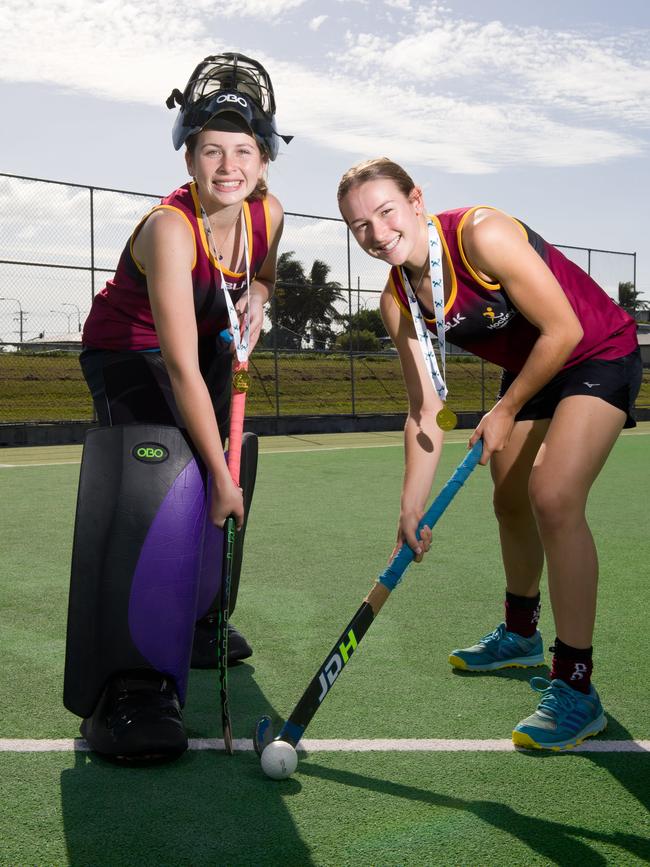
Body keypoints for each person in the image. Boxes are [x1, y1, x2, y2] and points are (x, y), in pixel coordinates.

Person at [337, 157, 642, 751]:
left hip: (595, 349)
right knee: (508, 501)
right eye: (359, 226)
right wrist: (411, 505)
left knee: (552, 495)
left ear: (416, 200)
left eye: (385, 212)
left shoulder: (481, 235)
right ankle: (521, 634)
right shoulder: (398, 301)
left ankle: (577, 687)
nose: (376, 234)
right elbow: (424, 410)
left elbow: (564, 331)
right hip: (534, 371)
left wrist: (504, 410)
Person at [64, 53, 290, 760]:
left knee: (235, 464)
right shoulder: (169, 228)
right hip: (133, 349)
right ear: (188, 155)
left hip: (208, 331)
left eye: (244, 152)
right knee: (159, 471)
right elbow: (181, 366)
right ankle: (126, 688)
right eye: (212, 151)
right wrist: (212, 472)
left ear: (264, 160)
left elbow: (261, 269)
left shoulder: (268, 212)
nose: (229, 166)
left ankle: (198, 621)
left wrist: (262, 291)